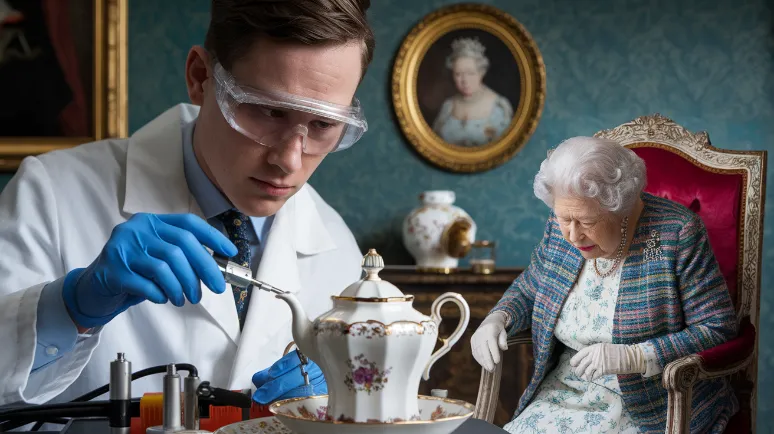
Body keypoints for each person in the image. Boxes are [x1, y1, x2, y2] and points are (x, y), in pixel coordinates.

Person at [0, 0, 375, 415]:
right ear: (200, 77)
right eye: (269, 111)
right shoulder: (50, 193)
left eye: (323, 125)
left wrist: (342, 400)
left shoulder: (338, 247)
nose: (289, 160)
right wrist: (69, 310)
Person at [470, 137, 739, 433]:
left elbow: (716, 327)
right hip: (564, 392)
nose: (572, 235)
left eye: (586, 221)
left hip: (651, 402)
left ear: (619, 208)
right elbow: (530, 287)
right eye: (564, 218)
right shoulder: (562, 227)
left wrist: (637, 355)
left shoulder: (675, 234)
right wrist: (499, 317)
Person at [431, 37, 513, 147]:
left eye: (470, 73)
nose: (464, 80)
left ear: (481, 72)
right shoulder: (448, 106)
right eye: (458, 74)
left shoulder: (500, 107)